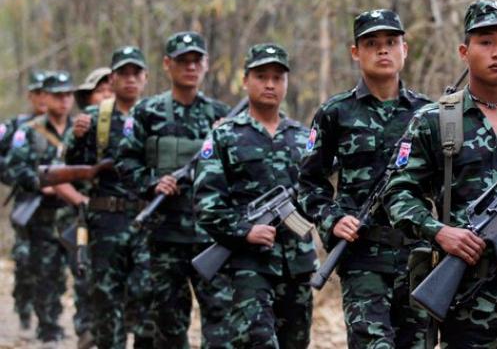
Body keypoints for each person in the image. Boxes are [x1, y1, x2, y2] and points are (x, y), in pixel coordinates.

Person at [383, 0, 497, 347]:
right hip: (467, 294)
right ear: (464, 51)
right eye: (486, 42)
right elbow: (397, 194)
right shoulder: (434, 121)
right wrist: (440, 233)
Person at [298, 9, 433, 348]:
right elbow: (308, 183)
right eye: (372, 43)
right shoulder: (335, 113)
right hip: (363, 258)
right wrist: (332, 219)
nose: (382, 50)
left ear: (405, 48)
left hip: (418, 258)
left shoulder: (430, 114)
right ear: (355, 52)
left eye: (391, 42)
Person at [195, 43, 316, 348]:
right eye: (261, 76)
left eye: (278, 77)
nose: (270, 84)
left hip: (297, 267)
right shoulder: (224, 136)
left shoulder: (304, 138)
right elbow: (207, 204)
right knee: (257, 342)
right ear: (245, 80)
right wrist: (246, 231)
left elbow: (320, 196)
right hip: (248, 267)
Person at [116, 32, 233, 348]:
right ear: (167, 64)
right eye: (183, 60)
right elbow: (124, 164)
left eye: (197, 60)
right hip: (165, 239)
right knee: (168, 326)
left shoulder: (220, 115)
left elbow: (239, 173)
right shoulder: (147, 113)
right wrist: (153, 182)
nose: (191, 67)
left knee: (222, 325)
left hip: (211, 238)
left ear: (206, 64)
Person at [65, 46, 154, 348]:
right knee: (105, 297)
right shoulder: (94, 117)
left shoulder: (154, 114)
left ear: (145, 78)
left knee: (146, 296)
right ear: (112, 79)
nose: (130, 79)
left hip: (147, 219)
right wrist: (77, 138)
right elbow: (71, 165)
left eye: (136, 73)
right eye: (123, 74)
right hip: (107, 220)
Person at [6, 71, 89, 342]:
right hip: (42, 215)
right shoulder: (28, 131)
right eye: (58, 95)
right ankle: (49, 327)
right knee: (46, 273)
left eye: (68, 95)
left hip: (74, 214)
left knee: (82, 272)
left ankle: (85, 326)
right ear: (46, 97)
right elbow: (14, 167)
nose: (64, 100)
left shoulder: (81, 129)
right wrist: (40, 184)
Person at [0, 70, 48, 331]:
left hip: (58, 205)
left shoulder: (65, 124)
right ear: (30, 96)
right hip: (26, 203)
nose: (43, 98)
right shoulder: (15, 127)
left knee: (50, 262)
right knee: (25, 258)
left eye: (47, 92)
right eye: (38, 93)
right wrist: (17, 176)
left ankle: (47, 316)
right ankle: (24, 307)